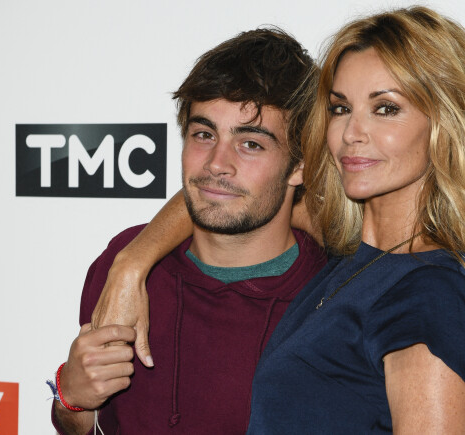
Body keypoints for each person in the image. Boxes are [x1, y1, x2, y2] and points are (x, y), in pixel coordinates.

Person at [92, 6, 465, 434]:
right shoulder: (356, 262)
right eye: (341, 108)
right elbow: (225, 195)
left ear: (444, 124)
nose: (351, 133)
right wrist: (132, 261)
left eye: (385, 108)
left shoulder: (426, 293)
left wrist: (133, 260)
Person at [50, 27, 326, 434]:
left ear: (301, 165)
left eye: (251, 143)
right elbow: (84, 425)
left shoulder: (334, 294)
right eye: (204, 134)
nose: (217, 163)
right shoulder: (124, 262)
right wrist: (71, 399)